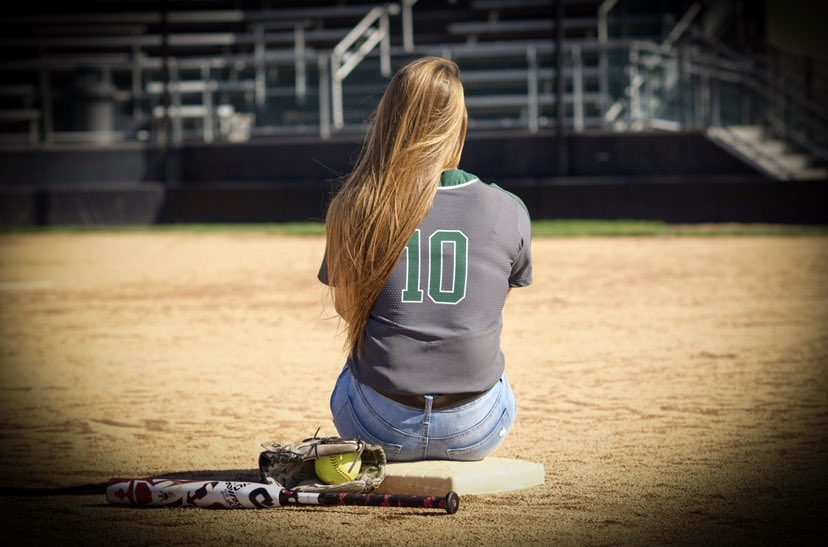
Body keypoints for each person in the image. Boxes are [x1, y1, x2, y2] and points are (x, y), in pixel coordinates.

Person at [319, 57, 532, 462]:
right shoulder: (509, 208)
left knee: (351, 372)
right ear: (459, 122)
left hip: (376, 423)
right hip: (475, 427)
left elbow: (349, 310)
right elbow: (486, 313)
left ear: (388, 119)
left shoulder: (354, 205)